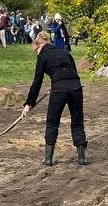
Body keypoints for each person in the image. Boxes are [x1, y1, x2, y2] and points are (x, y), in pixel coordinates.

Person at [22, 31, 87, 165]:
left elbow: (37, 82)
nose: (36, 53)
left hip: (59, 91)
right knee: (77, 122)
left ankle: (48, 159)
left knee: (52, 123)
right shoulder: (65, 52)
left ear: (40, 46)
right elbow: (72, 73)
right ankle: (81, 158)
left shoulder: (43, 56)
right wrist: (57, 85)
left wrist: (29, 104)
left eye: (36, 51)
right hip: (75, 88)